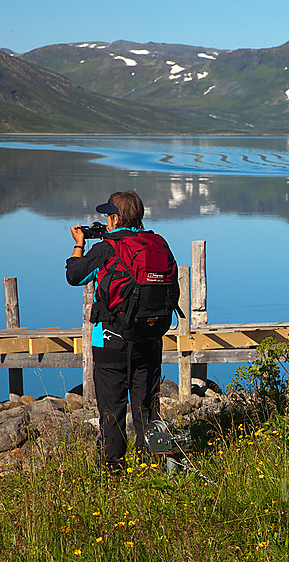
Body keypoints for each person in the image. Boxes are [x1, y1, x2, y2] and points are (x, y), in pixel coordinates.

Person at [66, 191, 177, 472]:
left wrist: (78, 245)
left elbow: (74, 275)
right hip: (150, 338)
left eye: (108, 216)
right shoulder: (158, 243)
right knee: (149, 409)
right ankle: (154, 465)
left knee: (112, 409)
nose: (106, 221)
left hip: (110, 340)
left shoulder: (107, 247)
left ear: (115, 218)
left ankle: (114, 468)